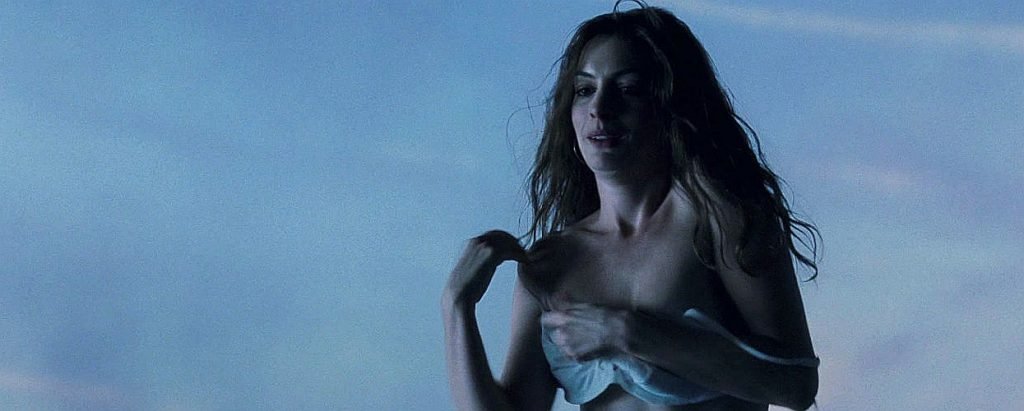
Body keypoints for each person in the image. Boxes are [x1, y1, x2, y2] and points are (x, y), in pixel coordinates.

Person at [443, 3, 821, 410]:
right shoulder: (550, 264)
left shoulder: (721, 219)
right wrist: (456, 307)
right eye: (585, 90)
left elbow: (797, 385)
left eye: (628, 89)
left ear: (671, 105)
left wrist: (629, 333)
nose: (599, 108)